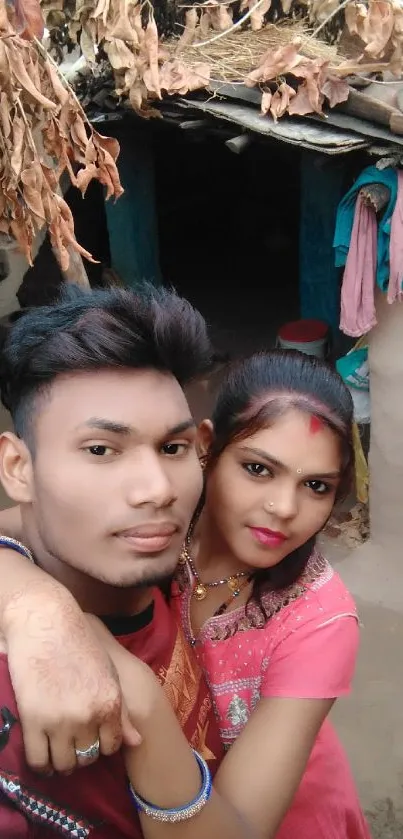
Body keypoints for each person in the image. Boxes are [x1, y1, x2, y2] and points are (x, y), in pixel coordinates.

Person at [0, 344, 370, 837]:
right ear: (206, 447)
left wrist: (141, 697)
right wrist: (37, 609)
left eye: (317, 486)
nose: (283, 507)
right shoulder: (158, 527)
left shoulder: (319, 620)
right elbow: (24, 526)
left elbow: (241, 828)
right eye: (258, 469)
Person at [0, 284, 256, 839]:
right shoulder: (28, 691)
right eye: (101, 450)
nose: (156, 490)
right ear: (18, 469)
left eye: (173, 448)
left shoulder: (185, 562)